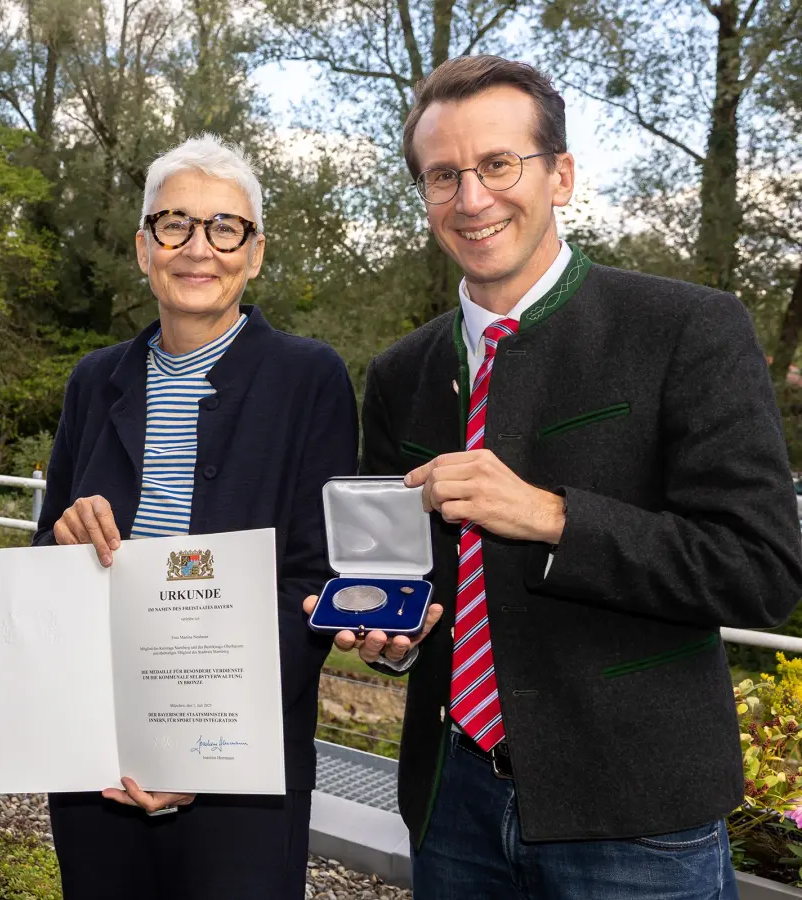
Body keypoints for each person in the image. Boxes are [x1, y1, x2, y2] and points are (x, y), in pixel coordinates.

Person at [304, 55, 802, 898]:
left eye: (499, 164)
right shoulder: (401, 374)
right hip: (450, 800)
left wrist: (551, 516)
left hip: (636, 817)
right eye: (442, 175)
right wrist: (394, 636)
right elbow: (406, 575)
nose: (472, 198)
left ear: (560, 175)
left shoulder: (684, 330)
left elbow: (759, 572)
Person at [34, 134, 358, 899]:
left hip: (243, 764)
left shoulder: (309, 379)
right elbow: (47, 559)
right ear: (144, 248)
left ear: (255, 252)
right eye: (174, 225)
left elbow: (313, 580)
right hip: (96, 751)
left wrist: (200, 745)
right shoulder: (94, 381)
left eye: (225, 228)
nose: (197, 247)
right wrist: (65, 539)